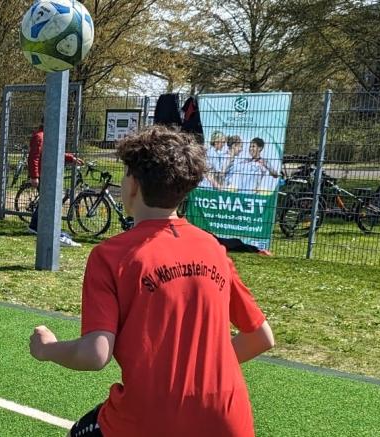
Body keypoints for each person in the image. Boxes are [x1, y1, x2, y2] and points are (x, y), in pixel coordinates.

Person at [28, 126, 275, 437]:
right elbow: (261, 337)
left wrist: (47, 349)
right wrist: (195, 378)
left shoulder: (111, 256)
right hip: (229, 420)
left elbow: (95, 354)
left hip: (148, 420)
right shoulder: (213, 248)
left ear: (132, 184)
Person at [26, 120, 82, 248]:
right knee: (48, 201)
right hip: (43, 175)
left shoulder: (47, 136)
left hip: (47, 174)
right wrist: (34, 176)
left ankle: (34, 226)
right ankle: (41, 228)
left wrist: (71, 158)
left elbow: (55, 153)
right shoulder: (39, 137)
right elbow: (33, 157)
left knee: (46, 201)